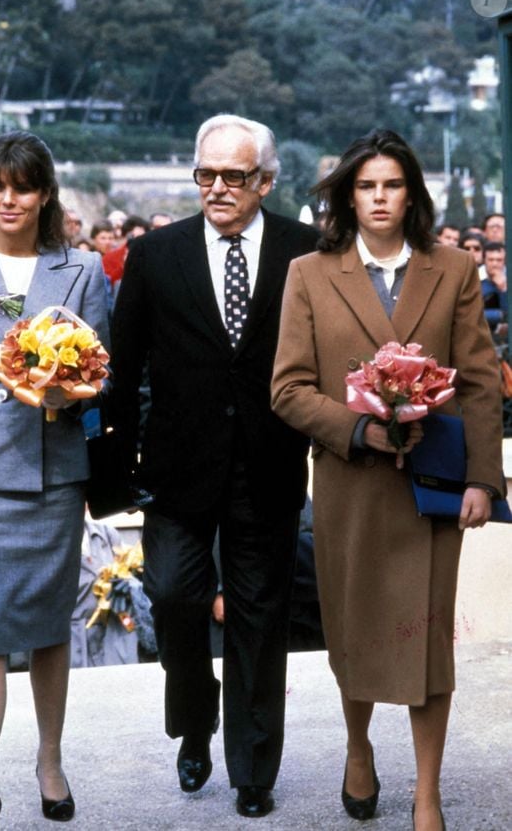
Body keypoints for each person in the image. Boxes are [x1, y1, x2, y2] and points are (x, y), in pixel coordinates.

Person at [271, 129, 504, 831]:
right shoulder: (309, 273)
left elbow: (482, 380)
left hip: (432, 483)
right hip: (351, 485)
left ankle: (426, 796)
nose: (379, 198)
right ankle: (359, 747)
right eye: (366, 186)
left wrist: (484, 481)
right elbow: (287, 388)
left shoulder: (454, 268)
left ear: (412, 194)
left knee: (428, 640)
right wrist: (360, 427)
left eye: (392, 185)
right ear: (348, 194)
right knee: (355, 634)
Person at [108, 114, 317, 818]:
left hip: (269, 461)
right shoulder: (156, 253)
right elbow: (123, 364)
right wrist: (116, 468)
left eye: (234, 176)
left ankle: (254, 767)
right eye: (206, 174)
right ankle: (196, 717)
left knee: (261, 615)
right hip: (176, 466)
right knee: (172, 595)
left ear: (265, 180)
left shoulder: (306, 250)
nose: (218, 188)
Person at [0, 131, 109, 830]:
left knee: (49, 626)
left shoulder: (81, 269)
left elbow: (103, 370)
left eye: (23, 187)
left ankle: (50, 759)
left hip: (55, 468)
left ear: (45, 194)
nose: (9, 200)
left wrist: (65, 387)